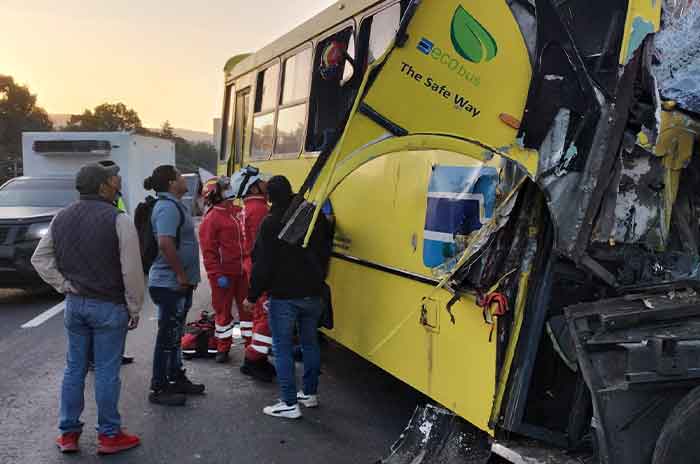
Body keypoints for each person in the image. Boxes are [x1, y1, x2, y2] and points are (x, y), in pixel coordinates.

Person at [31, 162, 143, 455]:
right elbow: (131, 269)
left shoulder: (62, 217)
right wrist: (134, 306)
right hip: (109, 306)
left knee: (74, 369)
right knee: (107, 372)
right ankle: (109, 435)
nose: (118, 180)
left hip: (75, 305)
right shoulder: (119, 219)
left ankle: (68, 434)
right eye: (113, 177)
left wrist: (63, 284)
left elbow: (40, 259)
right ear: (103, 186)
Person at [243, 175, 332, 419]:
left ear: (269, 198)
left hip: (284, 296)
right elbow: (326, 248)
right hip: (314, 293)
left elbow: (262, 265)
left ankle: (289, 403)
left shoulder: (271, 222)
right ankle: (310, 394)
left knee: (282, 348)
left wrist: (252, 296)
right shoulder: (313, 215)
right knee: (310, 342)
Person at [144, 165, 205, 406]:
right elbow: (165, 243)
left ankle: (176, 376)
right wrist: (181, 275)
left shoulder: (175, 205)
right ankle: (159, 387)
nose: (184, 179)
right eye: (180, 176)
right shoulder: (167, 207)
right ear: (171, 183)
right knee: (167, 336)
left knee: (175, 334)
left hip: (179, 283)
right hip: (169, 284)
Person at [231, 167, 276, 381]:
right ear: (253, 186)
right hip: (260, 266)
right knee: (266, 315)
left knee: (259, 312)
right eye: (262, 180)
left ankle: (258, 358)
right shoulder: (259, 209)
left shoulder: (247, 208)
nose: (266, 182)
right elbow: (267, 245)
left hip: (252, 264)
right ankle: (253, 358)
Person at [198, 177, 247, 363]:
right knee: (223, 312)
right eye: (226, 188)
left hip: (243, 272)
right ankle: (222, 347)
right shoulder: (211, 219)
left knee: (248, 313)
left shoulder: (238, 212)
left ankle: (251, 349)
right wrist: (217, 275)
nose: (230, 191)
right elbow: (208, 252)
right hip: (223, 275)